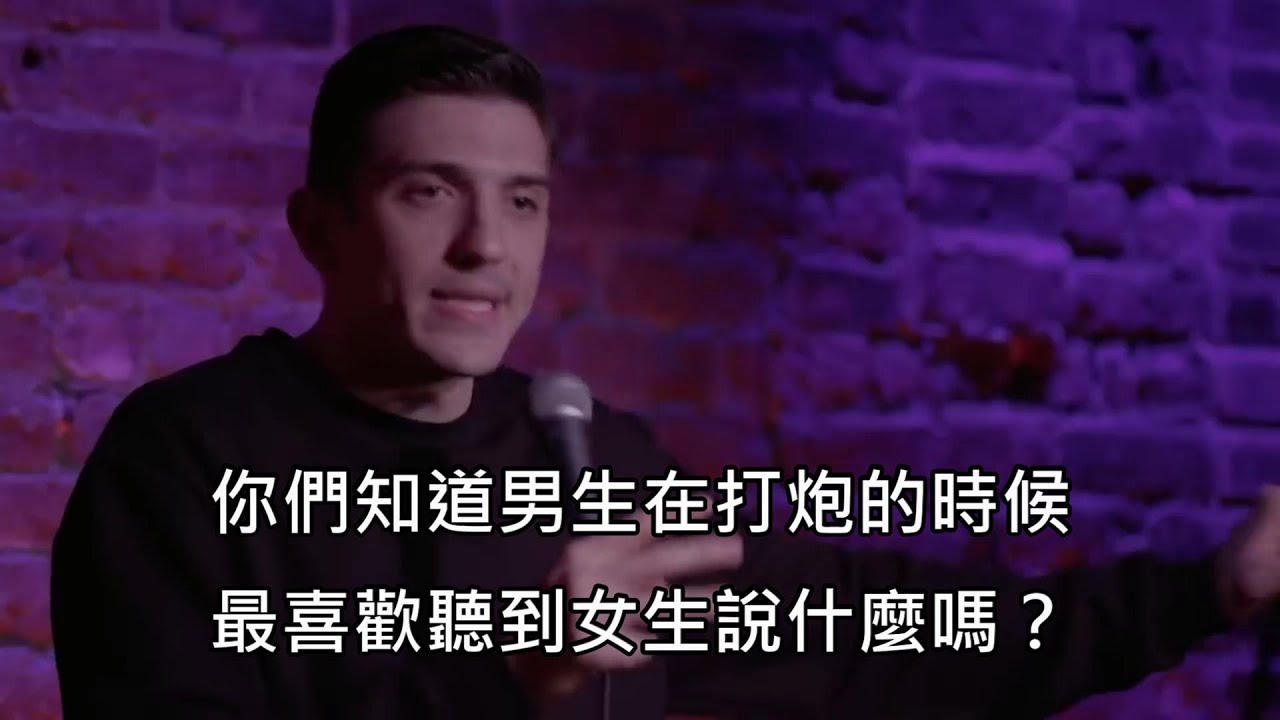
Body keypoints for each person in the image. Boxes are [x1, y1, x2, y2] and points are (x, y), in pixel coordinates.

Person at [48, 24, 1280, 720]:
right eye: (428, 193)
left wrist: (1206, 591)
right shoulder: (184, 463)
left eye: (521, 201)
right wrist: (522, 679)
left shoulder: (592, 458)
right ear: (317, 227)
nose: (485, 248)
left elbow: (890, 628)